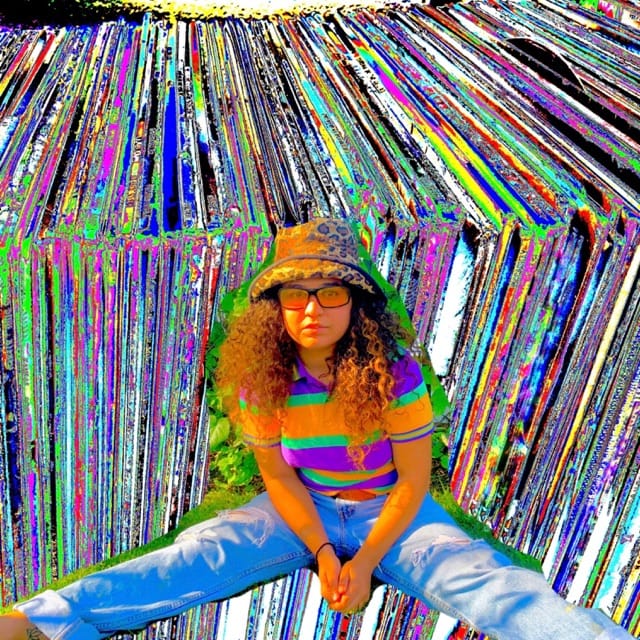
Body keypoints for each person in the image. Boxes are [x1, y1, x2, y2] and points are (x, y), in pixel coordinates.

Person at [0, 218, 634, 640]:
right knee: (197, 556)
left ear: (356, 303)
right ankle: (41, 621)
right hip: (300, 507)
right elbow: (278, 476)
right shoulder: (261, 382)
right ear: (275, 307)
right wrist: (327, 553)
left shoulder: (396, 374)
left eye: (331, 292)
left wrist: (367, 562)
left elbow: (414, 483)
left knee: (489, 585)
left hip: (394, 509)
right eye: (295, 294)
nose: (312, 308)